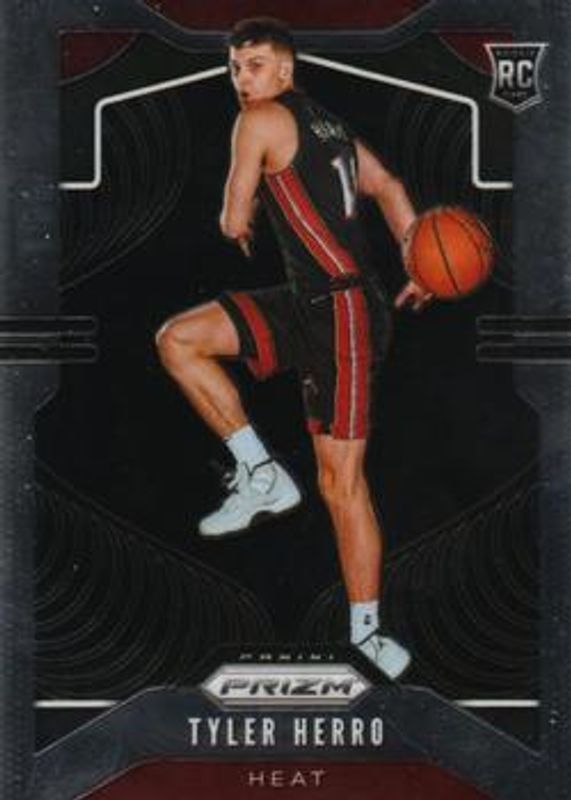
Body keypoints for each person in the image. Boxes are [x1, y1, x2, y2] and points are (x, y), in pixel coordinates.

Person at [156, 17, 431, 679]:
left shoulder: (258, 119)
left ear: (285, 69)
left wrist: (240, 215)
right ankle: (261, 473)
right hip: (309, 300)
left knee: (341, 484)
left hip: (343, 314)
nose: (241, 79)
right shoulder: (329, 126)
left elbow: (231, 217)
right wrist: (417, 257)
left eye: (254, 65)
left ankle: (367, 636)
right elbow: (389, 186)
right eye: (233, 68)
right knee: (179, 339)